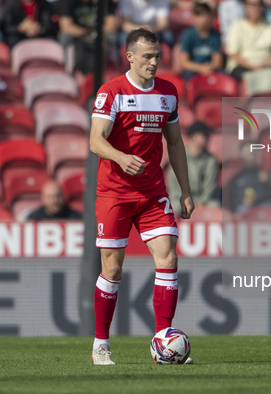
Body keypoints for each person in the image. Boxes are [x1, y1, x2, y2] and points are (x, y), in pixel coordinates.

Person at [89, 29, 194, 365]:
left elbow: (175, 144)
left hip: (152, 192)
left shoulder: (168, 92)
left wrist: (186, 192)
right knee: (113, 269)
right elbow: (95, 140)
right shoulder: (112, 91)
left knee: (169, 259)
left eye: (157, 56)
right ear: (129, 56)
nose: (153, 62)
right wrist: (120, 157)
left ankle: (163, 340)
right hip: (115, 193)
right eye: (147, 56)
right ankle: (101, 344)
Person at [225, 0, 271, 96]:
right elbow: (233, 54)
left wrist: (265, 65)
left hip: (267, 67)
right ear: (245, 7)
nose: (256, 8)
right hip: (243, 68)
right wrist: (253, 67)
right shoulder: (236, 27)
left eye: (259, 5)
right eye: (252, 5)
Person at [168, 121, 219, 212]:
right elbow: (174, 183)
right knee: (173, 207)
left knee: (215, 206)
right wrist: (184, 198)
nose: (207, 138)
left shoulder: (211, 159)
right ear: (193, 137)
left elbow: (210, 184)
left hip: (201, 200)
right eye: (204, 135)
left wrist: (202, 201)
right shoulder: (179, 155)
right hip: (180, 198)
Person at [58, 0, 119, 74]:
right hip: (78, 36)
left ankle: (112, 69)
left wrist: (94, 33)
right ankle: (66, 70)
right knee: (65, 37)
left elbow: (111, 26)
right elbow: (65, 27)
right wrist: (86, 33)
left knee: (112, 37)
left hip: (99, 35)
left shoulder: (106, 2)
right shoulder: (68, 2)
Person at [179, 2, 223, 81]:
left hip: (210, 68)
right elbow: (184, 63)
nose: (205, 19)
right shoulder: (187, 35)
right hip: (193, 70)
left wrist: (210, 67)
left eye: (208, 16)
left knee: (223, 76)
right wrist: (200, 68)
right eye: (202, 16)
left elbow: (218, 62)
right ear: (195, 17)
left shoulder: (215, 36)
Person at [226, 141, 271, 213]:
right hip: (244, 208)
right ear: (241, 154)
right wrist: (242, 201)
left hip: (262, 206)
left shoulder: (263, 175)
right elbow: (232, 199)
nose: (250, 154)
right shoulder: (236, 178)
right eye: (247, 152)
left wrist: (266, 183)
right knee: (242, 209)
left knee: (268, 207)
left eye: (252, 151)